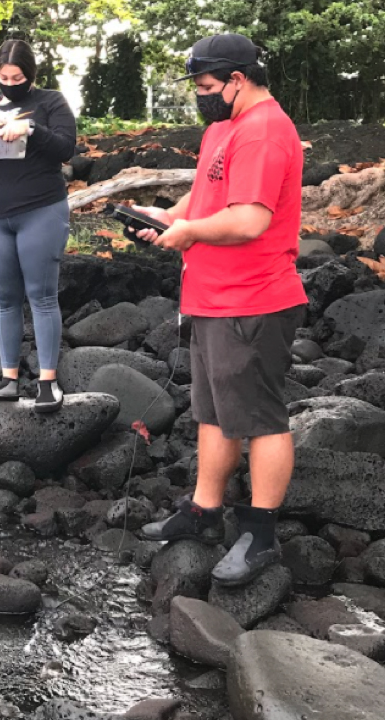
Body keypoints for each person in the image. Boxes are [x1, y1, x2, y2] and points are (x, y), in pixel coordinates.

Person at [133, 33, 308, 586]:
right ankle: (204, 512)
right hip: (211, 297)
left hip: (254, 298)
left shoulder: (263, 131)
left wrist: (187, 233)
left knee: (259, 418)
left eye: (208, 86)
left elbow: (250, 220)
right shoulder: (223, 128)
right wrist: (165, 217)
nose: (202, 96)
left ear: (238, 79)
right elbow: (205, 199)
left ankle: (260, 533)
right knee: (213, 411)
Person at [0, 39, 77, 413]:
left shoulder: (49, 103)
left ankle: (47, 381)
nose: (9, 82)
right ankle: (9, 379)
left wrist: (29, 132)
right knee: (5, 300)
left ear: (30, 75)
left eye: (17, 76)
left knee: (41, 296)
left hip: (40, 210)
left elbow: (66, 147)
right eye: (3, 76)